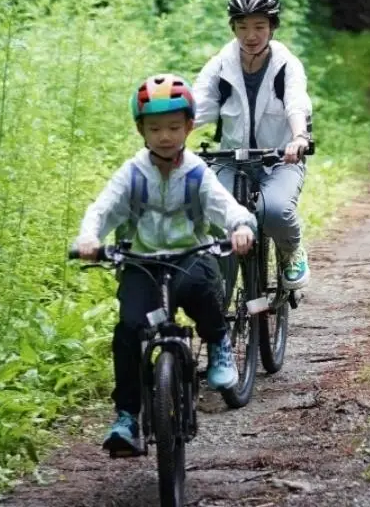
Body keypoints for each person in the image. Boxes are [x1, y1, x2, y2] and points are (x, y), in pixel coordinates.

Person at [74, 74, 256, 456]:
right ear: (141, 129)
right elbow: (102, 208)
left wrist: (240, 226)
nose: (165, 136)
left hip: (189, 257)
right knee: (129, 330)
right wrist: (90, 238)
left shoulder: (196, 172)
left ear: (190, 126)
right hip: (143, 264)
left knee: (203, 288)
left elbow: (226, 207)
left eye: (174, 127)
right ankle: (126, 416)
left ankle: (219, 342)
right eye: (154, 128)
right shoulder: (132, 173)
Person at [192, 0, 312, 291]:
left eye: (259, 26)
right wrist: (169, 138)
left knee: (273, 211)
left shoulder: (287, 65)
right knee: (221, 217)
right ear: (232, 27)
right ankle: (221, 294)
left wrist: (298, 138)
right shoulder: (220, 65)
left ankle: (290, 251)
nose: (251, 35)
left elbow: (296, 104)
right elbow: (198, 107)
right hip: (232, 159)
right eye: (242, 27)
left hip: (281, 159)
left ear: (272, 27)